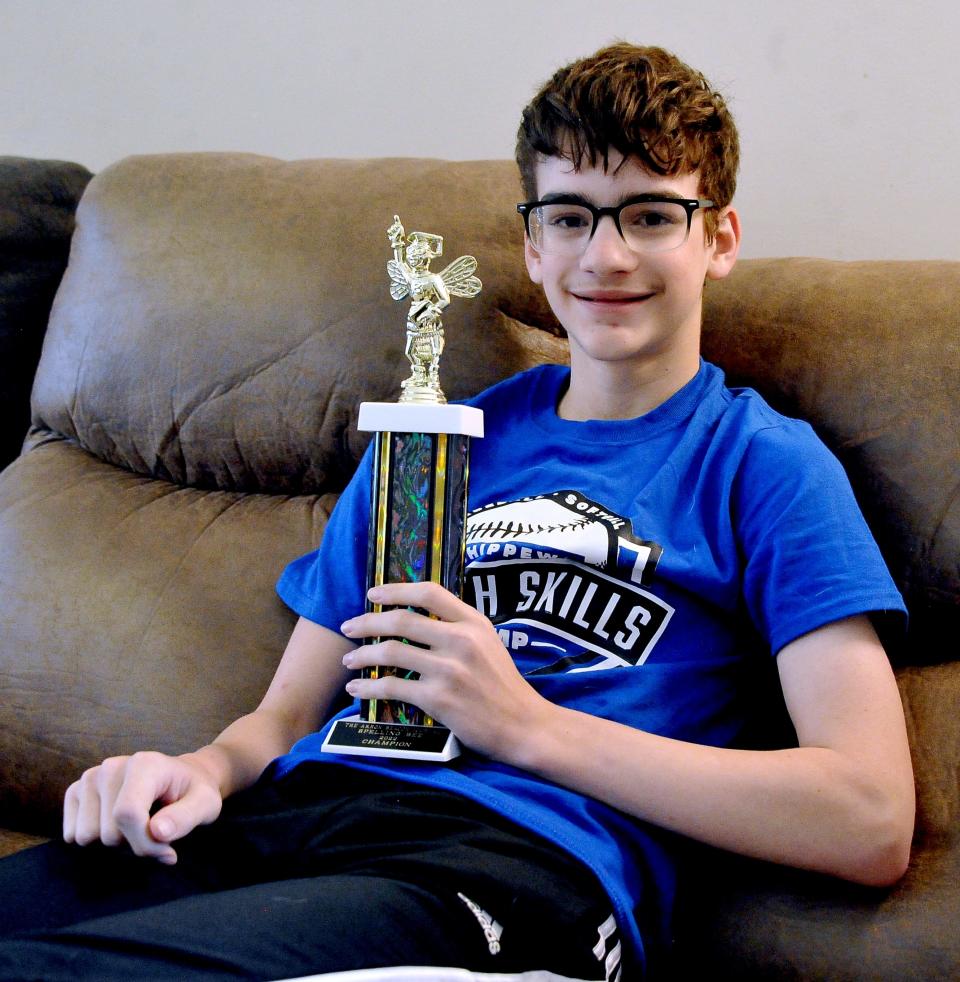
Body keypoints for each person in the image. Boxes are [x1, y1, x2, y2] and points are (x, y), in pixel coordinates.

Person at [0, 43, 914, 981]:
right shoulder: (440, 442)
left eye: (649, 215)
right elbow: (278, 719)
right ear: (532, 244)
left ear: (718, 239)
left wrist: (526, 726)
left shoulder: (762, 465)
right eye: (570, 217)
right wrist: (200, 771)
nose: (605, 255)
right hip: (302, 816)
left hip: (512, 872)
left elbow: (869, 817)